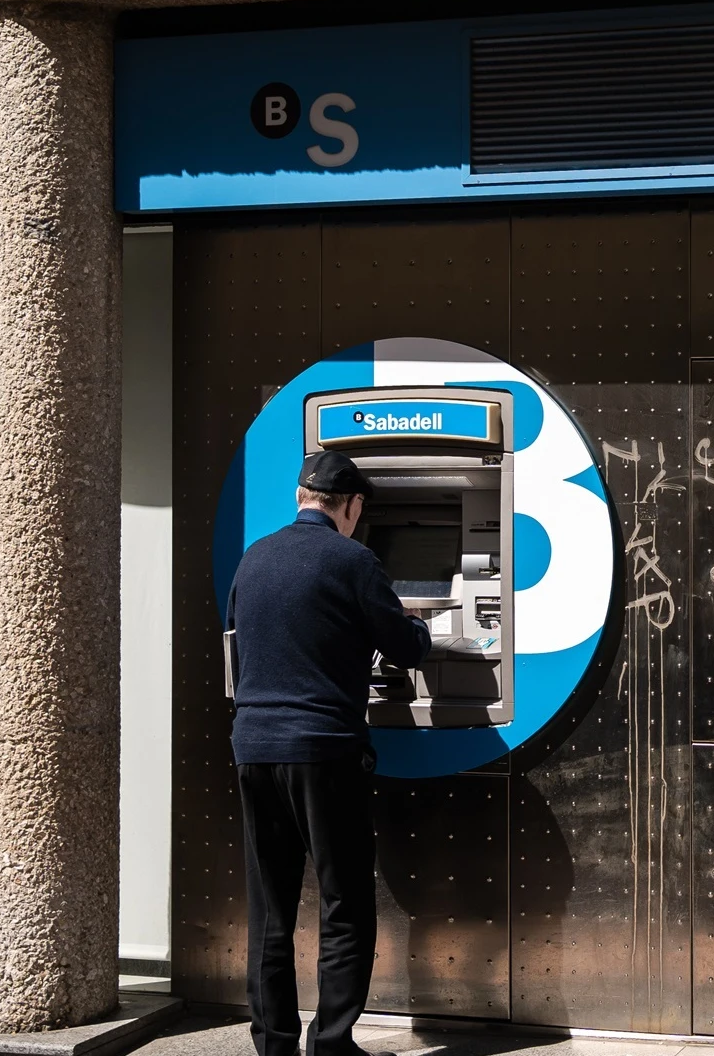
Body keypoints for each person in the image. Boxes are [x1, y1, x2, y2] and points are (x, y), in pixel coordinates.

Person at [227, 451, 432, 1056]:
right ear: (352, 506)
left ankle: (274, 1044)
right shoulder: (353, 559)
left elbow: (246, 642)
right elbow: (405, 647)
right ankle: (333, 1045)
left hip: (254, 745)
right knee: (344, 903)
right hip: (323, 749)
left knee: (270, 909)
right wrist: (422, 626)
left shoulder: (255, 558)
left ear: (299, 497)